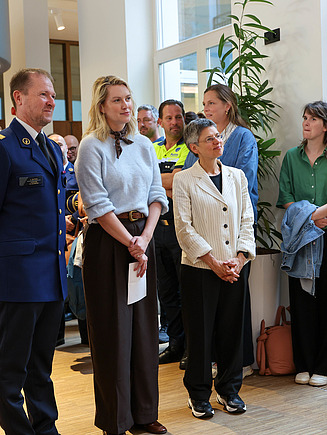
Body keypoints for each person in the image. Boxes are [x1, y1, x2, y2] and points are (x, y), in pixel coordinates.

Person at [75, 75, 168, 435]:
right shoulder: (90, 146)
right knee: (113, 333)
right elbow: (96, 204)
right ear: (102, 107)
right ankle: (116, 419)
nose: (125, 105)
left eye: (128, 98)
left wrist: (143, 239)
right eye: (116, 100)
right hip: (108, 244)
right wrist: (129, 242)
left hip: (143, 239)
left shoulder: (144, 145)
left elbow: (157, 194)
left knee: (145, 331)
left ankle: (144, 414)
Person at [173, 118, 255, 419]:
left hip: (235, 266)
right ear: (194, 147)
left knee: (232, 332)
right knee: (201, 334)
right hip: (200, 269)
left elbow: (247, 218)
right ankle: (198, 394)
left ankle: (229, 390)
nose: (218, 141)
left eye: (218, 136)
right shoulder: (184, 180)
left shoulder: (238, 176)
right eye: (209, 139)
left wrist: (240, 258)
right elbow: (184, 228)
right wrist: (213, 261)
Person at [0, 68, 67, 434]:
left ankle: (46, 428)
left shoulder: (52, 148)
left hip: (52, 275)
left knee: (42, 366)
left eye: (53, 95)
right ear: (18, 98)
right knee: (10, 370)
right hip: (18, 279)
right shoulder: (5, 147)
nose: (51, 101)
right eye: (43, 94)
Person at [183, 84, 258, 375]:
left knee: (234, 308)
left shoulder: (242, 137)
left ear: (228, 106)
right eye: (204, 103)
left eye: (212, 102)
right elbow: (190, 174)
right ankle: (212, 362)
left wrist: (238, 250)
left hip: (236, 230)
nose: (206, 108)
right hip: (204, 235)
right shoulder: (197, 136)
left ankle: (237, 363)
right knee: (207, 310)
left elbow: (245, 182)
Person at [277, 100, 327, 387]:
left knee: (325, 301)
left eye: (313, 118)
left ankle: (323, 365)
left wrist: (319, 216)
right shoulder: (292, 157)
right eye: (304, 117)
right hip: (301, 238)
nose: (306, 122)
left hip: (326, 235)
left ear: (325, 125)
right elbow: (285, 197)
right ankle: (304, 364)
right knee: (301, 301)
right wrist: (313, 216)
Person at [154, 99, 189, 365]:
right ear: (160, 121)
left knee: (185, 290)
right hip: (155, 230)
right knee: (166, 293)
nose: (175, 122)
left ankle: (191, 347)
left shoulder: (189, 148)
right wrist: (161, 182)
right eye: (169, 118)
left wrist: (156, 182)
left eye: (179, 117)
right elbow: (141, 181)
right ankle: (176, 343)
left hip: (180, 230)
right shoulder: (150, 148)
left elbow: (180, 181)